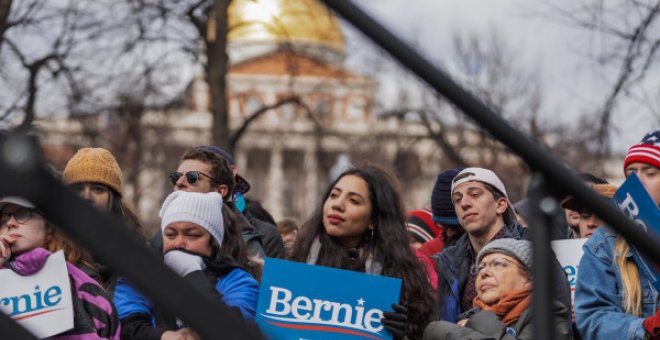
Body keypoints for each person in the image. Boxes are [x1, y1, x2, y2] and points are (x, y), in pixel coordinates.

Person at [287, 165, 435, 339]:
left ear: (373, 219)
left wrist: (406, 334)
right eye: (334, 195)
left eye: (354, 201)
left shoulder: (404, 276)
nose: (337, 204)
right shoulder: (297, 261)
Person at [114, 191, 259, 340]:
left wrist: (191, 274)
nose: (178, 243)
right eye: (171, 234)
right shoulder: (142, 272)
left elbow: (234, 332)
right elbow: (125, 327)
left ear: (214, 242)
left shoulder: (237, 280)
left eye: (192, 235)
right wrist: (164, 337)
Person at [434, 167, 571, 325]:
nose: (464, 203)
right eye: (457, 200)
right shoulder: (447, 260)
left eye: (475, 194)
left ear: (500, 205)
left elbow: (558, 318)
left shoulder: (534, 249)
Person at [575, 129, 660, 339]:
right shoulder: (605, 242)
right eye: (631, 174)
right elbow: (592, 317)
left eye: (650, 173)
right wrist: (647, 328)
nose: (637, 181)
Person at [0, 196, 120, 339]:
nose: (10, 223)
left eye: (22, 214)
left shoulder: (84, 286)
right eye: (3, 220)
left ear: (48, 223)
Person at [423, 238, 571, 339]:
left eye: (498, 264)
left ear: (529, 278)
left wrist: (447, 331)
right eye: (480, 268)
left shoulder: (550, 315)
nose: (484, 273)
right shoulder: (467, 317)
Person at [62, 147, 144, 290]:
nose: (86, 197)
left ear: (113, 199)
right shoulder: (47, 247)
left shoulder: (138, 254)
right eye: (78, 189)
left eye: (98, 189)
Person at [198, 145, 285, 259]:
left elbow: (272, 276)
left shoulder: (266, 234)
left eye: (193, 178)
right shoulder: (172, 228)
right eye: (177, 177)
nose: (181, 184)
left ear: (222, 190)